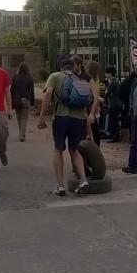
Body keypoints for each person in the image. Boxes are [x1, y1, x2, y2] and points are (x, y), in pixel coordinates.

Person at [37, 58, 90, 196]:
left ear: (60, 67)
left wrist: (41, 117)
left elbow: (48, 93)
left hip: (62, 116)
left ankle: (60, 186)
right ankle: (83, 180)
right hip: (79, 119)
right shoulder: (79, 79)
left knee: (58, 148)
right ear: (73, 67)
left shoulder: (55, 76)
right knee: (74, 150)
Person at [10, 62, 35, 142]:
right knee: (24, 118)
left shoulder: (15, 77)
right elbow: (32, 91)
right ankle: (22, 135)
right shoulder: (29, 77)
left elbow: (11, 90)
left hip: (16, 100)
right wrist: (32, 101)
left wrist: (11, 101)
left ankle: (21, 133)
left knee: (18, 117)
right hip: (26, 99)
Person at [83, 60, 103, 147]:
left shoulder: (87, 78)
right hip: (90, 107)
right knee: (94, 131)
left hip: (90, 107)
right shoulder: (90, 79)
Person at [103, 65, 123, 143]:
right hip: (116, 104)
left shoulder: (113, 83)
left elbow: (108, 94)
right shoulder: (116, 81)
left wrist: (106, 95)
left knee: (113, 121)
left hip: (113, 104)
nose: (106, 75)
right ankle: (115, 135)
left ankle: (114, 135)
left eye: (107, 73)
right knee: (114, 120)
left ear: (110, 73)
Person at [117, 68, 137, 139]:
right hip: (131, 106)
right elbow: (120, 93)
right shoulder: (131, 81)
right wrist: (127, 102)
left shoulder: (130, 80)